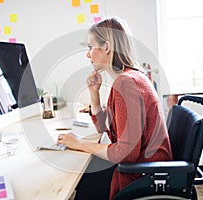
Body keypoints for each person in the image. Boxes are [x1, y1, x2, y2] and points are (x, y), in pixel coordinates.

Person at [57, 17, 173, 200]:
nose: (88, 54)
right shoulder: (128, 78)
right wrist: (93, 93)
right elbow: (105, 128)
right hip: (143, 168)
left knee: (79, 184)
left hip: (143, 176)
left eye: (90, 47)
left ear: (107, 47)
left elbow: (126, 153)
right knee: (84, 175)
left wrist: (80, 144)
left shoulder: (127, 83)